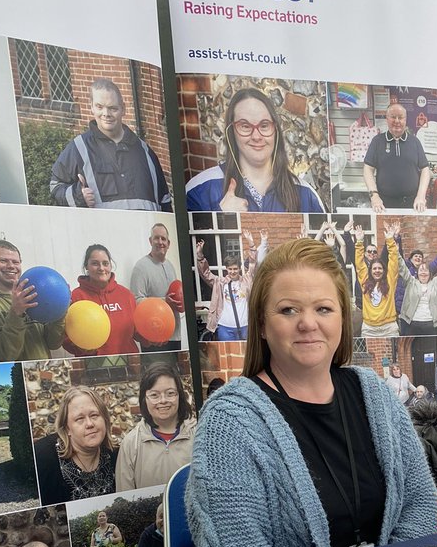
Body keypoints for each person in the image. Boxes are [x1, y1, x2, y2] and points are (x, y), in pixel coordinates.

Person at [186, 237, 437, 547]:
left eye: (323, 309)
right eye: (288, 310)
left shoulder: (375, 395)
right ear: (261, 324)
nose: (308, 323)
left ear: (342, 319)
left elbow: (422, 507)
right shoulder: (229, 422)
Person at [185, 87, 325, 213]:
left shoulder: (306, 194)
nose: (256, 136)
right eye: (245, 126)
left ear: (275, 130)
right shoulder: (200, 189)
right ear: (231, 131)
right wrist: (221, 216)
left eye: (264, 125)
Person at [49, 78, 171, 212]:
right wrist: (78, 197)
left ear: (123, 109)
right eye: (100, 107)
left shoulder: (145, 152)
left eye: (113, 108)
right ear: (92, 108)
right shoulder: (78, 148)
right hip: (101, 232)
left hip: (142, 232)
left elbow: (164, 201)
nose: (106, 114)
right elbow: (56, 186)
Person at [115, 363, 195, 491]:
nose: (163, 400)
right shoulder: (131, 443)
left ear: (180, 395)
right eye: (154, 395)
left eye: (170, 393)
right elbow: (124, 496)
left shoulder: (198, 435)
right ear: (144, 399)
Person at [0, 240, 67, 362]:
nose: (11, 266)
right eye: (3, 261)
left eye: (15, 262)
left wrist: (60, 312)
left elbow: (53, 344)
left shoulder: (34, 292)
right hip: (10, 378)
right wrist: (16, 313)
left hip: (44, 374)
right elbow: (6, 354)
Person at [33, 386, 117, 503]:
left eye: (94, 415)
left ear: (105, 420)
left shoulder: (116, 455)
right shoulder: (43, 458)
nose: (89, 424)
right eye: (79, 418)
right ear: (67, 428)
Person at [65, 245, 140, 357]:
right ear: (86, 266)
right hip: (92, 367)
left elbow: (138, 331)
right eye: (95, 263)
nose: (101, 268)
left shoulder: (126, 295)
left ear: (110, 265)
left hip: (128, 365)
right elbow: (66, 336)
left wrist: (154, 336)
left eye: (105, 263)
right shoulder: (76, 297)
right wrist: (81, 349)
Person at [197, 231, 268, 341]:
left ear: (239, 269)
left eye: (235, 269)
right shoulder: (220, 282)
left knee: (247, 355)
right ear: (226, 269)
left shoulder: (247, 280)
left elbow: (253, 263)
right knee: (228, 357)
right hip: (225, 327)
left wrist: (251, 243)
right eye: (230, 269)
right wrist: (200, 256)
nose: (233, 271)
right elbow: (205, 273)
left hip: (246, 326)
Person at [363, 103, 430, 212]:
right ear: (387, 119)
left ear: (405, 119)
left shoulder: (415, 142)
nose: (397, 121)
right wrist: (374, 196)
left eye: (400, 117)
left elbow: (425, 169)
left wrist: (421, 196)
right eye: (393, 117)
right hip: (383, 205)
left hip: (413, 205)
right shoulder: (377, 141)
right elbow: (367, 169)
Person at [129, 223, 183, 353]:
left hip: (174, 334)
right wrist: (164, 301)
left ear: (168, 243)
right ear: (150, 241)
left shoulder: (170, 266)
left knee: (175, 372)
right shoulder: (141, 267)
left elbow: (176, 295)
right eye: (156, 238)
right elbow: (135, 301)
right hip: (153, 336)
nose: (160, 242)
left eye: (163, 239)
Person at [398, 238, 437, 335]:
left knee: (431, 349)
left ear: (430, 273)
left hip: (431, 324)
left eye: (426, 270)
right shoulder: (411, 282)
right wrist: (396, 252)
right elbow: (402, 267)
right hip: (412, 324)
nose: (423, 272)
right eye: (421, 270)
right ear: (417, 273)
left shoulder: (435, 283)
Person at [352, 221, 399, 338]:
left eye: (379, 268)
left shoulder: (390, 279)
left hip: (389, 327)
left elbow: (393, 260)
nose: (377, 271)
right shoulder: (365, 280)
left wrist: (390, 240)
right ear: (370, 270)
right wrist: (359, 242)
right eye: (374, 269)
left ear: (384, 270)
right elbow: (359, 264)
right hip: (369, 328)